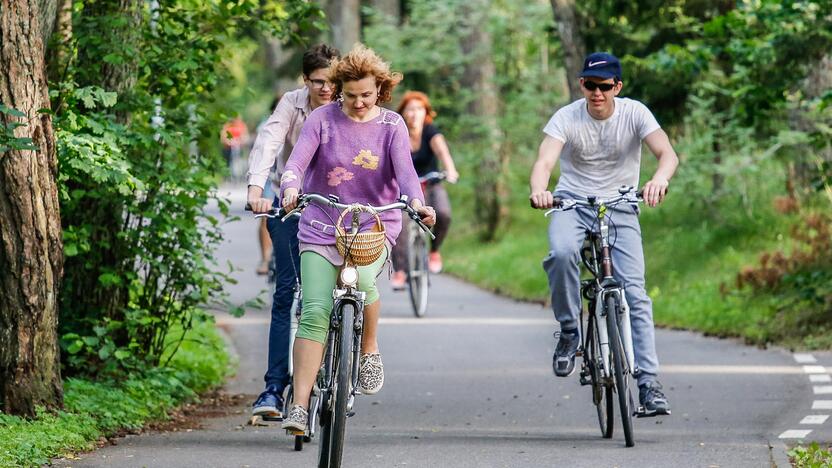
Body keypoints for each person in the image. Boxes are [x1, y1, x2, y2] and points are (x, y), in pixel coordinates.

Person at [276, 44, 436, 432]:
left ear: (379, 89)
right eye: (351, 95)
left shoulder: (392, 126)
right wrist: (290, 185)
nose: (359, 102)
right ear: (339, 89)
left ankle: (369, 349)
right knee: (314, 310)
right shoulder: (321, 120)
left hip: (372, 225)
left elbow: (406, 175)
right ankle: (298, 406)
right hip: (321, 223)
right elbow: (296, 162)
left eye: (367, 95)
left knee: (364, 283)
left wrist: (417, 202)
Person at [528, 52, 679, 417]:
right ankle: (569, 331)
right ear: (581, 84)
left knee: (636, 294)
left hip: (621, 205)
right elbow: (544, 162)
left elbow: (667, 154)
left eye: (605, 86)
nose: (597, 93)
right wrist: (539, 189)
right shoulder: (566, 117)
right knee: (562, 254)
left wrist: (659, 179)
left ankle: (648, 384)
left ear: (617, 87)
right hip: (571, 204)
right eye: (590, 85)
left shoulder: (635, 113)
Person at [246, 44, 340, 419]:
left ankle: (341, 361)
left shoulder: (348, 103)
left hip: (338, 209)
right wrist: (256, 189)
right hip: (293, 203)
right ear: (306, 80)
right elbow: (269, 140)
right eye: (318, 82)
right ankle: (273, 389)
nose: (326, 90)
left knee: (340, 292)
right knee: (287, 293)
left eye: (332, 82)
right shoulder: (292, 103)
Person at [389, 91, 459, 289]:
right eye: (410, 109)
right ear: (403, 112)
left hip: (430, 182)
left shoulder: (431, 131)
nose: (414, 114)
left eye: (419, 109)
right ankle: (401, 270)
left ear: (425, 112)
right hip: (403, 187)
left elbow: (442, 150)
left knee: (443, 213)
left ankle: (434, 251)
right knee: (398, 223)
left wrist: (450, 170)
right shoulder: (397, 131)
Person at [254, 96, 281, 276]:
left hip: (292, 178)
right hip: (271, 177)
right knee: (266, 214)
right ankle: (265, 257)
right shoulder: (267, 126)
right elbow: (262, 152)